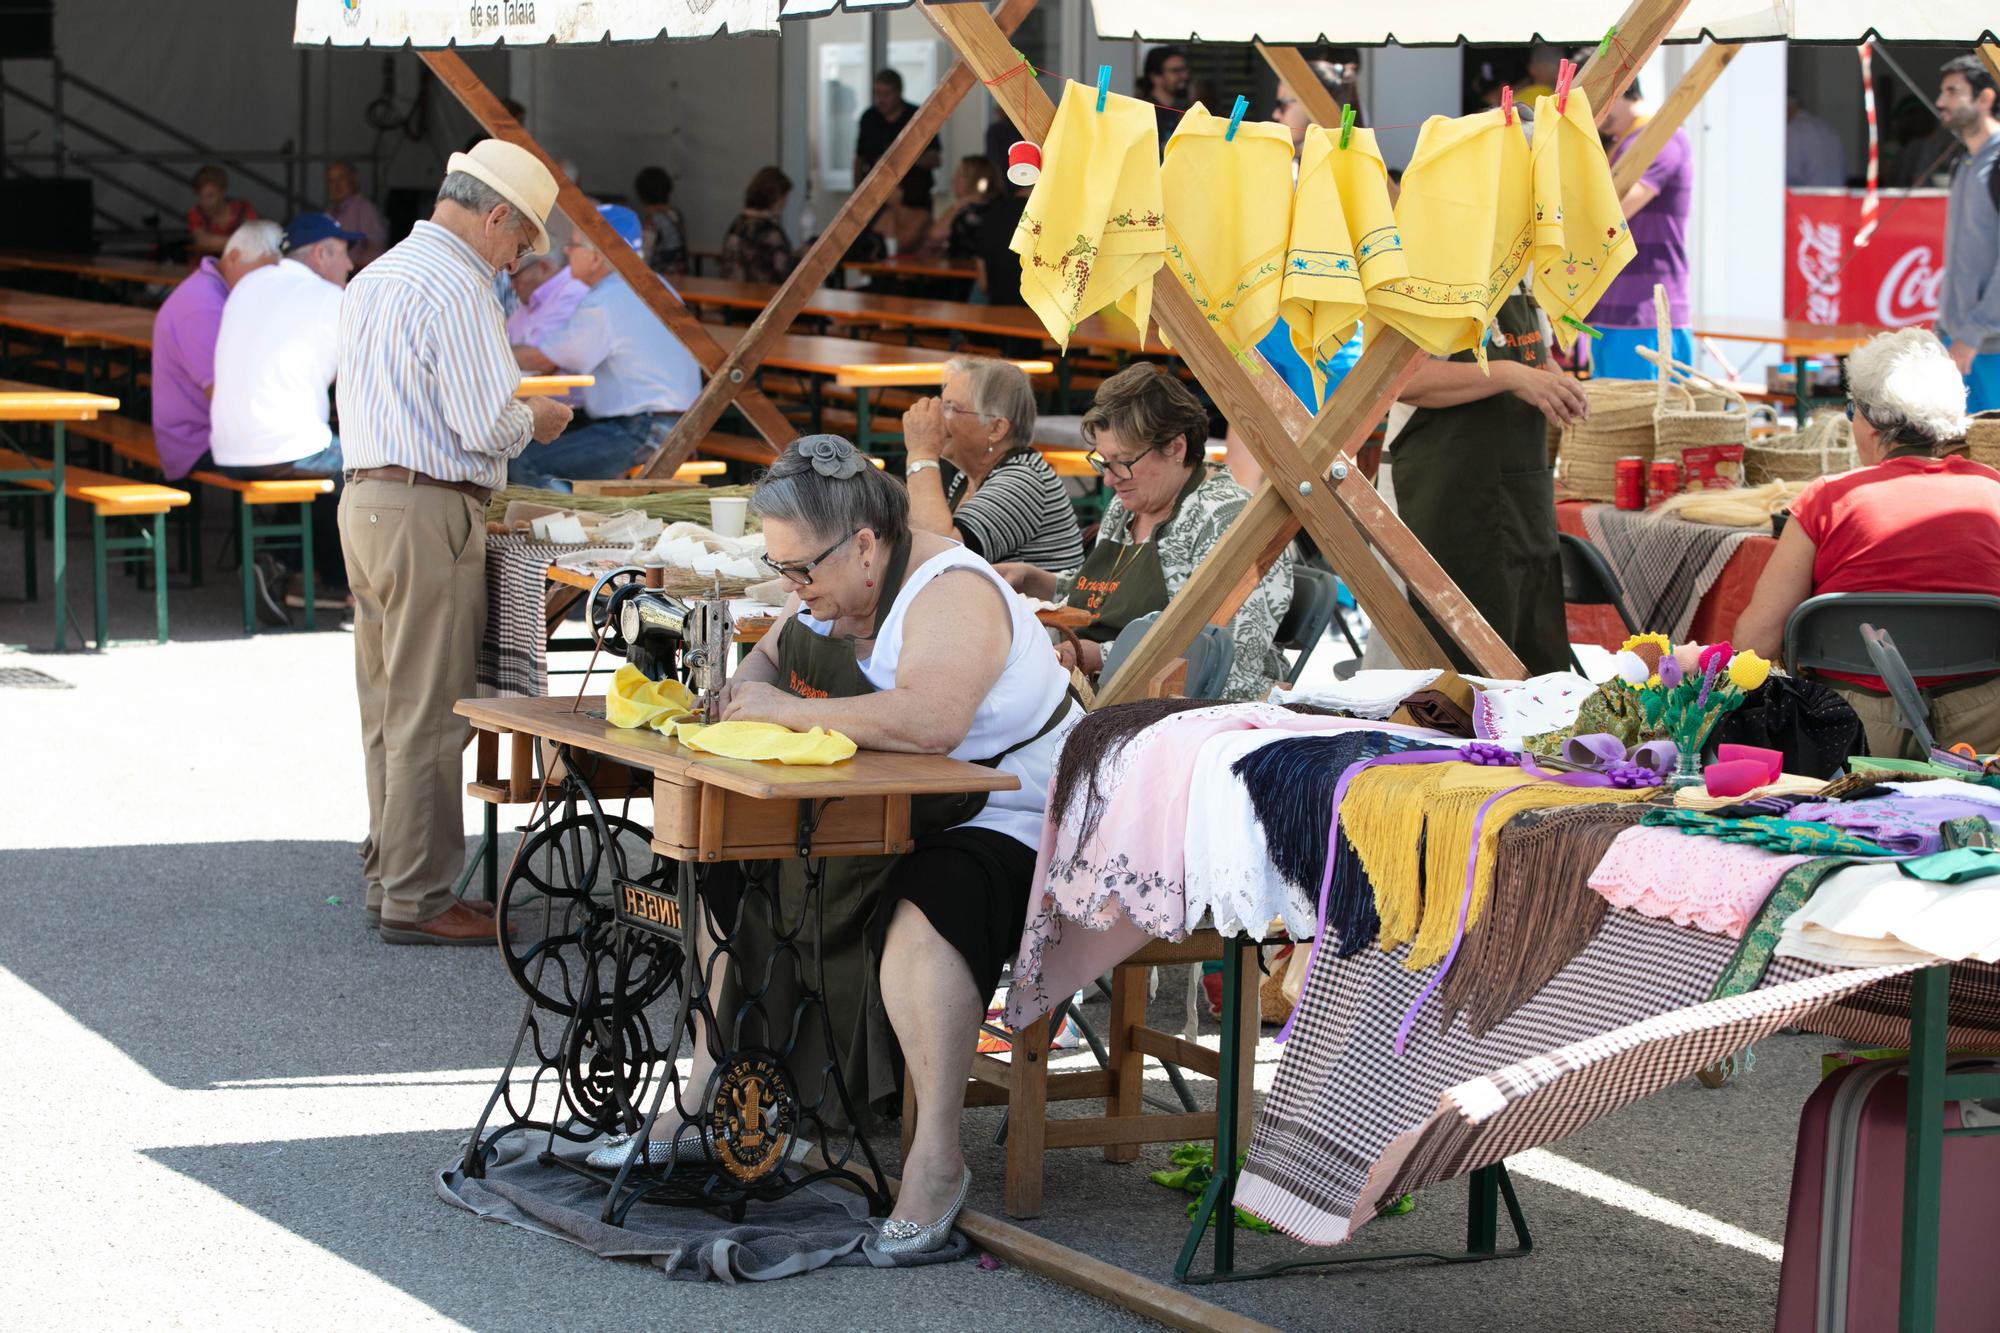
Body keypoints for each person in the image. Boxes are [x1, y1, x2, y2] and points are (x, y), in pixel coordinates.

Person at [592, 435, 1078, 1253]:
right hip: (895, 802)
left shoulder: (948, 589)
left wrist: (782, 712)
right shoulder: (829, 584)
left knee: (928, 916)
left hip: (1014, 812)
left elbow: (933, 722)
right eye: (782, 572)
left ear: (863, 544)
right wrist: (736, 696)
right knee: (722, 861)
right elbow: (765, 665)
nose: (792, 590)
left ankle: (936, 1159)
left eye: (800, 572)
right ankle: (710, 1093)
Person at [336, 140, 573, 945]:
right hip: (425, 507)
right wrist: (535, 419)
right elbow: (484, 425)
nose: (517, 259)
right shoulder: (460, 286)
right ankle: (421, 895)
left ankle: (390, 876)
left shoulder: (378, 274)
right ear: (496, 214)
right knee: (433, 713)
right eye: (521, 241)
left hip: (367, 499)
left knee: (387, 706)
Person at [1734, 329, 2000, 755]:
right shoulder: (1994, 490)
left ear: (1871, 425)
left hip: (1850, 728)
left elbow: (1756, 642)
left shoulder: (1827, 499)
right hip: (1983, 729)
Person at [997, 363, 1292, 698]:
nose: (1109, 479)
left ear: (1176, 448)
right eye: (1103, 462)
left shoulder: (1230, 522)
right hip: (1092, 691)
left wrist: (1099, 657)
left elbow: (1226, 657)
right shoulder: (1128, 505)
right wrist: (1044, 583)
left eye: (1122, 462)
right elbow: (1112, 595)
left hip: (1177, 713)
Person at [1386, 282, 1583, 676]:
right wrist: (1509, 374)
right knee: (1453, 674)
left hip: (1522, 500)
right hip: (1447, 499)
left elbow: (1538, 359)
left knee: (1532, 667)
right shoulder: (1437, 270)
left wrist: (1556, 384)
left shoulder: (1525, 275)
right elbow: (1404, 379)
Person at [210, 211, 363, 622]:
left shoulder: (246, 286)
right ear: (320, 253)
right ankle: (349, 586)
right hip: (284, 449)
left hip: (227, 449)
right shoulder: (334, 300)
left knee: (322, 459)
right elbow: (369, 386)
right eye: (345, 254)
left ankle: (284, 566)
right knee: (373, 464)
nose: (350, 266)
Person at [511, 204, 701, 491]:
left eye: (574, 245)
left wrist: (488, 353)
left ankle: (571, 532)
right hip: (675, 425)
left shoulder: (608, 298)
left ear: (597, 256)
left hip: (644, 430)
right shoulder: (651, 284)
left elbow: (543, 359)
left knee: (525, 460)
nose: (566, 252)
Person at [902, 357, 1084, 569]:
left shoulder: (1022, 481)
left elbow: (941, 555)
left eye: (952, 408)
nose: (940, 419)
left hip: (1037, 603)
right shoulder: (968, 478)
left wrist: (921, 453)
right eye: (943, 405)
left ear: (997, 429)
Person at [150, 219, 281, 482]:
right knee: (331, 458)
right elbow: (225, 396)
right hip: (195, 443)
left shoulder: (214, 292)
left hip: (204, 434)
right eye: (261, 274)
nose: (268, 284)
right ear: (234, 257)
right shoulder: (203, 306)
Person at [1591, 80, 1695, 380]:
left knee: (1645, 421)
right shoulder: (1622, 141)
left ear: (1619, 87)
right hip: (1615, 310)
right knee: (1612, 420)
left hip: (1647, 312)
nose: (1590, 113)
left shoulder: (1662, 138)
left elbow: (1613, 214)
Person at [1935, 54, 2000, 413]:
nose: (1941, 101)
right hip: (1961, 343)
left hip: (1988, 348)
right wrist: (1943, 326)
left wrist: (1972, 333)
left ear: (1985, 98)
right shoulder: (1965, 162)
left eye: (1953, 91)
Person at [854, 68, 941, 200]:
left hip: (914, 195)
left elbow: (935, 158)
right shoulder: (869, 118)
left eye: (887, 94)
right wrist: (857, 193)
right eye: (877, 94)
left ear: (899, 92)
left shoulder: (918, 117)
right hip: (877, 196)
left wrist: (900, 158)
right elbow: (859, 158)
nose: (881, 99)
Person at [719, 166, 797, 284]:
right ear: (776, 197)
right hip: (765, 297)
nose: (785, 204)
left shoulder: (738, 224)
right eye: (784, 198)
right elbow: (785, 272)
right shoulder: (769, 232)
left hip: (734, 294)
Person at [504, 249, 587, 349]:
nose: (511, 285)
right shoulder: (532, 296)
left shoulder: (572, 294)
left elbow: (533, 355)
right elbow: (505, 331)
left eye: (515, 276)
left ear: (543, 267)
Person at [973, 170, 1030, 308]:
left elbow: (983, 284)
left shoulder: (991, 214)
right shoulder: (1053, 219)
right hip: (1042, 318)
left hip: (998, 310)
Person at [926, 155, 995, 259]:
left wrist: (959, 204)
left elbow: (936, 235)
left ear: (974, 179)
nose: (953, 179)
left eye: (959, 174)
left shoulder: (972, 211)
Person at [324, 159, 389, 269]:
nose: (336, 186)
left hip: (358, 277)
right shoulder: (329, 213)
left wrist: (347, 264)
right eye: (331, 181)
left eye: (341, 179)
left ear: (353, 179)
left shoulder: (366, 210)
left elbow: (377, 255)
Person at [186, 165, 257, 259]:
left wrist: (217, 242)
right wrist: (240, 242)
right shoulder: (196, 213)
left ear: (222, 192)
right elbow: (203, 241)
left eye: (210, 196)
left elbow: (254, 238)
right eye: (201, 197)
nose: (205, 202)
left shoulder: (243, 209)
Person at [632, 165, 689, 276]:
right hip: (681, 275)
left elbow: (644, 258)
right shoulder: (675, 215)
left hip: (660, 279)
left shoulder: (652, 223)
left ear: (641, 195)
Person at [1786, 94, 1847, 189]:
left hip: (1810, 199)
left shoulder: (1793, 130)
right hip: (1836, 198)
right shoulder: (1825, 126)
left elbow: (1790, 173)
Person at [1137, 45, 1192, 147]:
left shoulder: (1187, 109)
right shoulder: (1142, 112)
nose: (1184, 76)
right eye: (1175, 71)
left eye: (1184, 70)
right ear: (1155, 77)